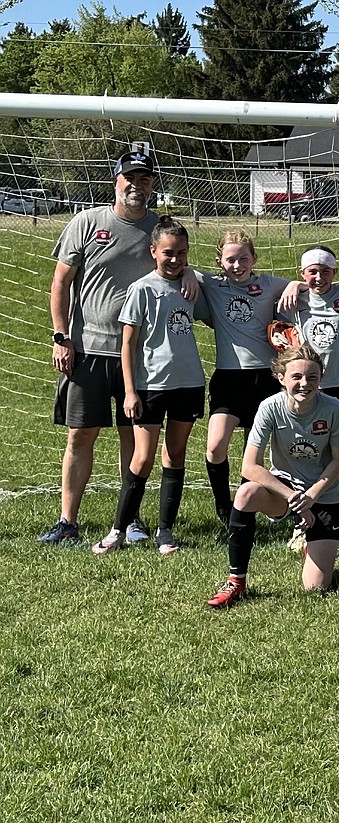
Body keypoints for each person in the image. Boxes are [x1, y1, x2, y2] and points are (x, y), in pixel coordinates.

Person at [43, 150, 197, 544]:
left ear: (152, 184)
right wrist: (62, 337)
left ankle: (130, 520)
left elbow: (176, 254)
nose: (136, 185)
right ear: (116, 180)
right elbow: (61, 282)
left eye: (144, 179)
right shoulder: (88, 222)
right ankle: (67, 521)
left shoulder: (158, 229)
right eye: (129, 177)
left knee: (135, 438)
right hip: (88, 349)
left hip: (141, 356)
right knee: (81, 435)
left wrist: (192, 270)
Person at [92, 216, 209, 555]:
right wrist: (129, 391)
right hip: (150, 386)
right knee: (142, 459)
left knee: (175, 456)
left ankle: (166, 533)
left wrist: (192, 273)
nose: (176, 260)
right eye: (169, 253)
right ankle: (118, 530)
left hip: (189, 383)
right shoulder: (142, 288)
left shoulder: (192, 284)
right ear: (154, 251)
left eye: (183, 254)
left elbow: (218, 296)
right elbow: (127, 344)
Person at [206, 346, 339, 608]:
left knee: (315, 587)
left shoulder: (334, 409)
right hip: (287, 490)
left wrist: (311, 497)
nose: (304, 384)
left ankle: (312, 546)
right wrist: (294, 499)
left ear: (321, 379)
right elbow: (249, 467)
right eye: (296, 377)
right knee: (246, 493)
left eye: (312, 378)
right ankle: (236, 581)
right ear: (281, 377)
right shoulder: (269, 407)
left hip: (324, 494)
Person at [200, 229, 289, 528]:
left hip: (266, 378)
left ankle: (243, 506)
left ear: (254, 258)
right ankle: (223, 507)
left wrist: (296, 287)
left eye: (243, 258)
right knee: (215, 446)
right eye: (230, 260)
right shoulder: (212, 285)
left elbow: (306, 285)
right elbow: (183, 271)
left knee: (257, 448)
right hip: (229, 378)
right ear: (219, 261)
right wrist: (188, 276)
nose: (237, 265)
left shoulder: (269, 284)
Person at [276, 245, 339, 425]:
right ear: (302, 272)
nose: (319, 278)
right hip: (305, 384)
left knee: (338, 443)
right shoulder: (294, 299)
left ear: (335, 272)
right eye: (312, 272)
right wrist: (293, 285)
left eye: (325, 271)